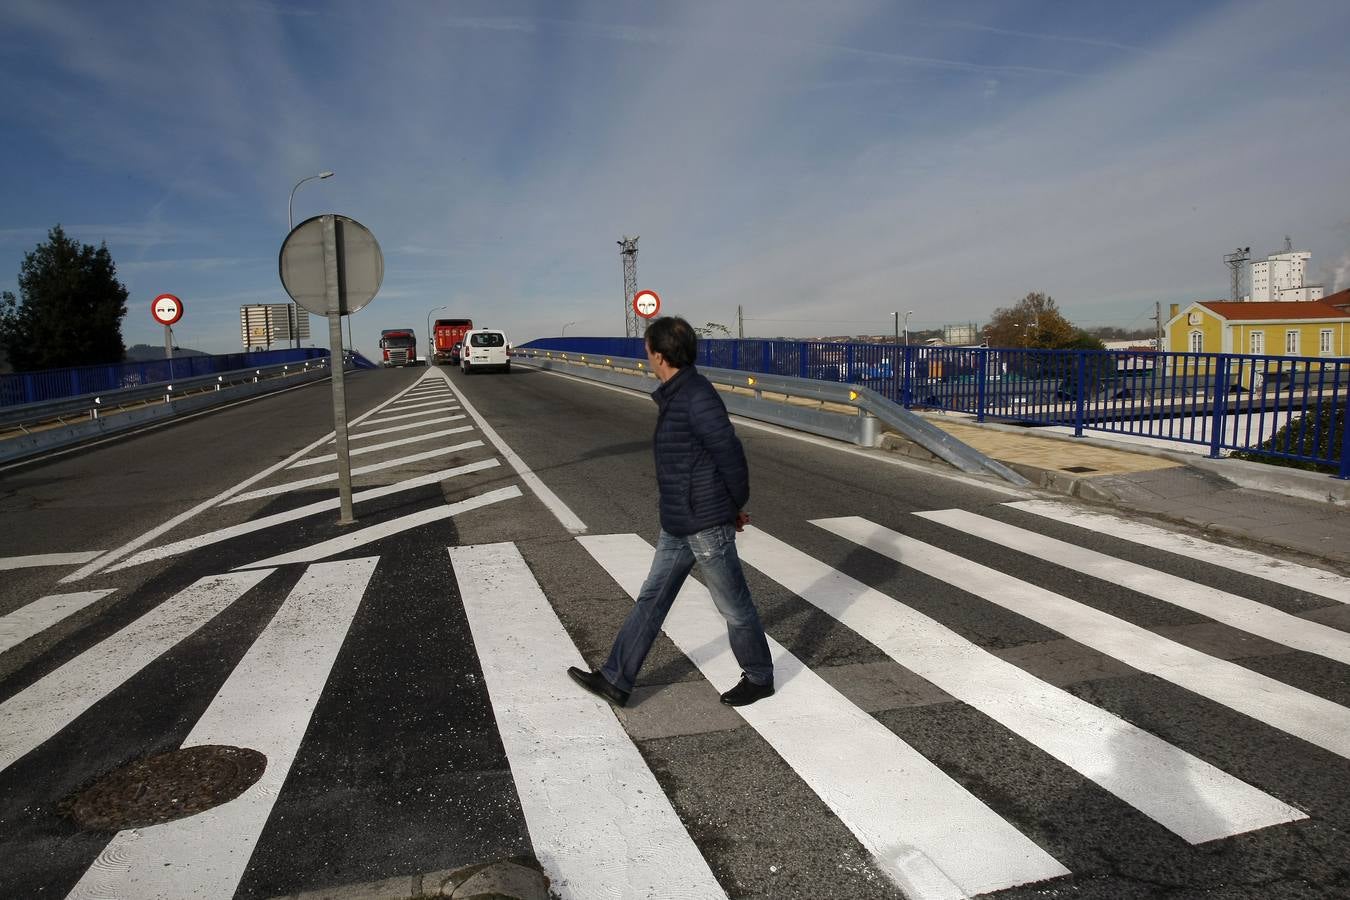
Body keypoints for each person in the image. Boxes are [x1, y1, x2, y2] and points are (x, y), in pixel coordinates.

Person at [568, 316, 775, 708]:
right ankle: (616, 678)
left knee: (733, 605)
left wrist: (733, 508)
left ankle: (760, 677)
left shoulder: (696, 397)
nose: (646, 357)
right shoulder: (677, 393)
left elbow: (730, 455)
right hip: (680, 521)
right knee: (652, 598)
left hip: (704, 523)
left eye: (648, 350)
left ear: (660, 355)